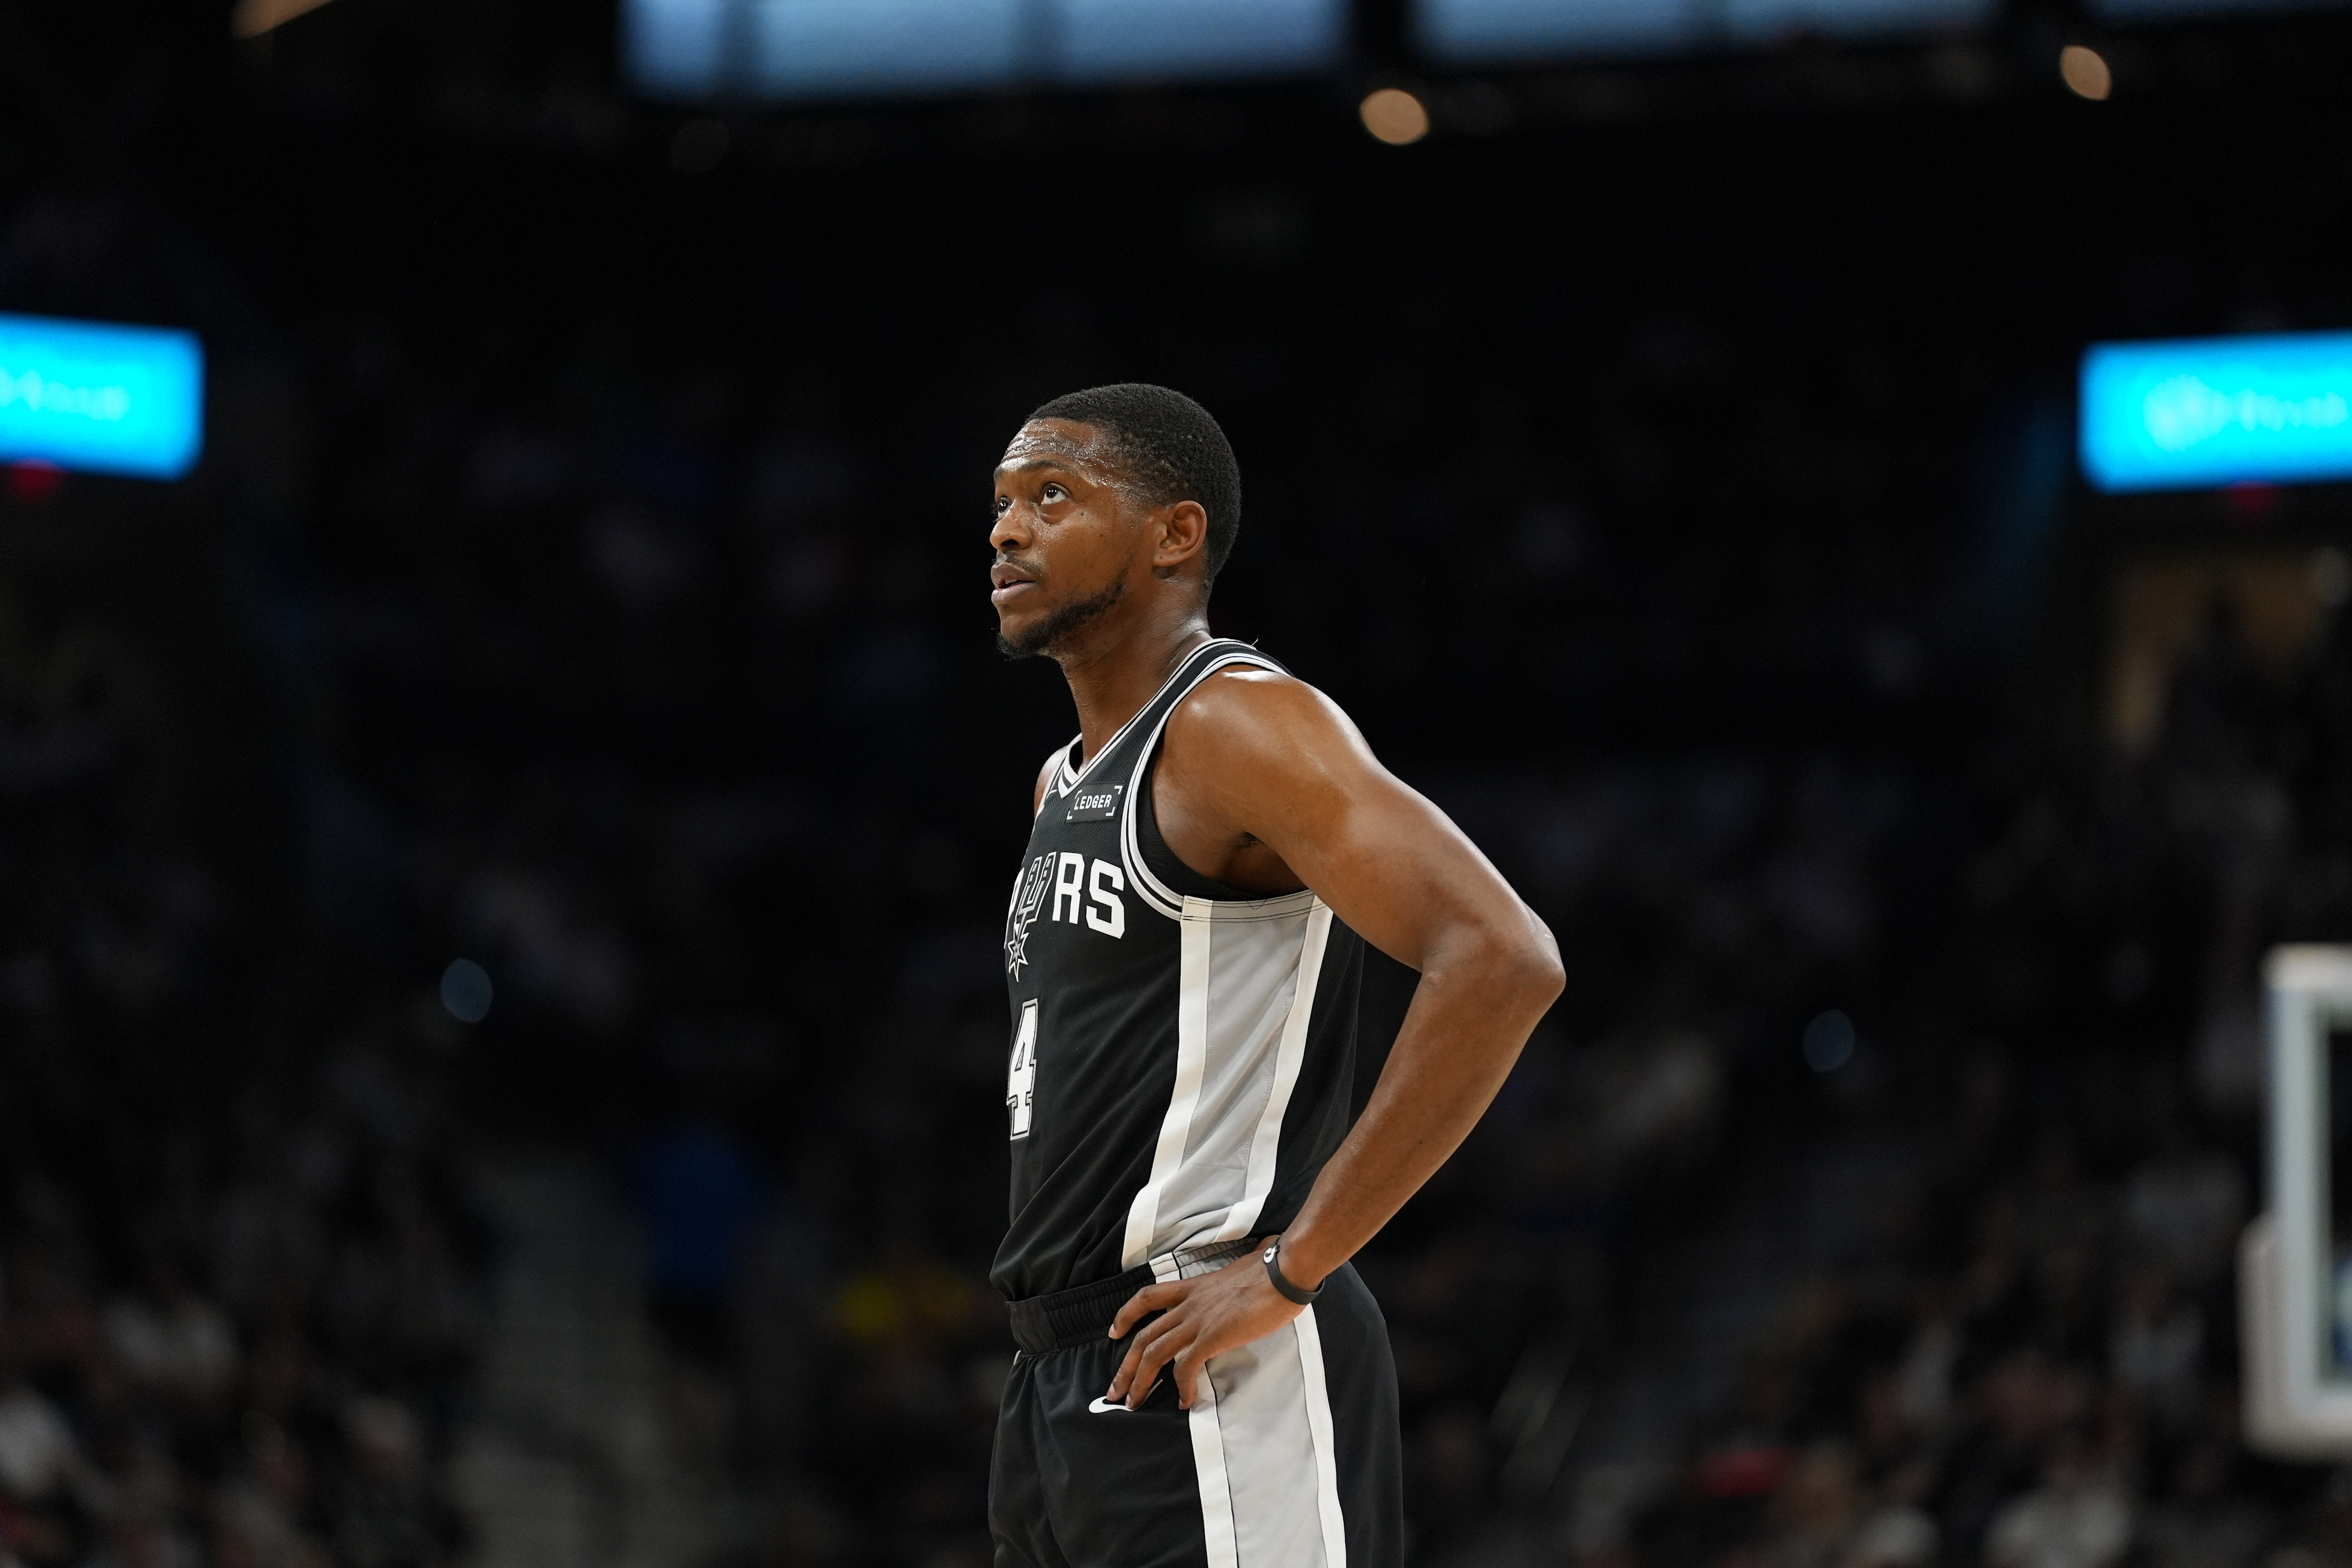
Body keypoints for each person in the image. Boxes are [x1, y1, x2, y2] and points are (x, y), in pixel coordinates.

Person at [984, 383, 1564, 1568]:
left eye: (1052, 495)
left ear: (1174, 535)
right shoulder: (1060, 784)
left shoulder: (1234, 724)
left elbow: (1502, 958)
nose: (1006, 529)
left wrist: (1295, 1266)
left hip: (1206, 1345)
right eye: (1001, 503)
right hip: (1058, 1374)